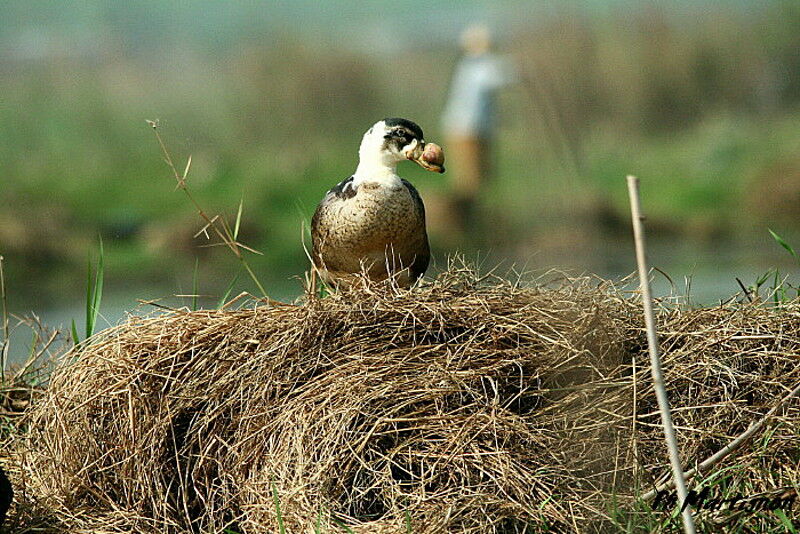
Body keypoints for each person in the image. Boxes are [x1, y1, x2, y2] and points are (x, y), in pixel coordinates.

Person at [441, 24, 516, 231]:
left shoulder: (469, 65)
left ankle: (473, 223)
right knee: (471, 179)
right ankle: (465, 225)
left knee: (479, 178)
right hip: (468, 131)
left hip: (470, 129)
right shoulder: (477, 65)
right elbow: (503, 76)